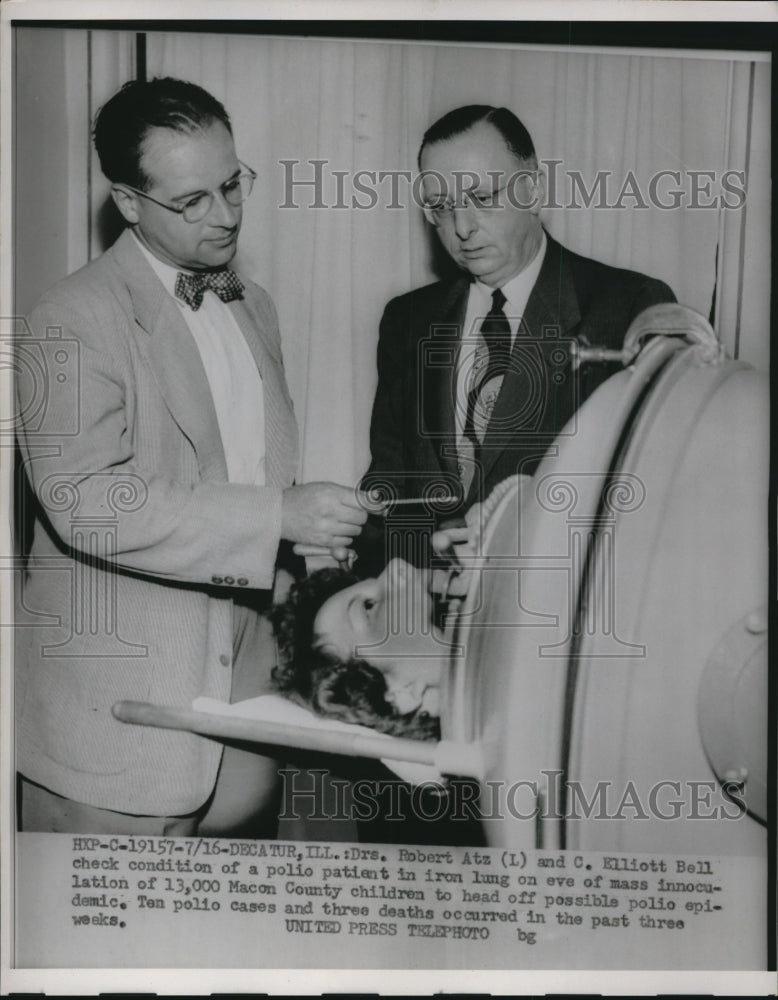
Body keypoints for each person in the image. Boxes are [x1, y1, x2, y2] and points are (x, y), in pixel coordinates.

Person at [14, 77, 366, 836]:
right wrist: (276, 513)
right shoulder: (68, 316)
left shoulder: (253, 303)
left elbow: (239, 470)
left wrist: (299, 525)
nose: (228, 214)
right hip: (113, 727)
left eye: (232, 184)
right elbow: (86, 502)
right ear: (130, 202)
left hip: (239, 699)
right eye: (193, 201)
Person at [359, 104, 675, 570]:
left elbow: (655, 493)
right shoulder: (406, 320)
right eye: (443, 208)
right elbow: (390, 489)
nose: (463, 229)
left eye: (482, 198)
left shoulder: (630, 306)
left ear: (533, 189)